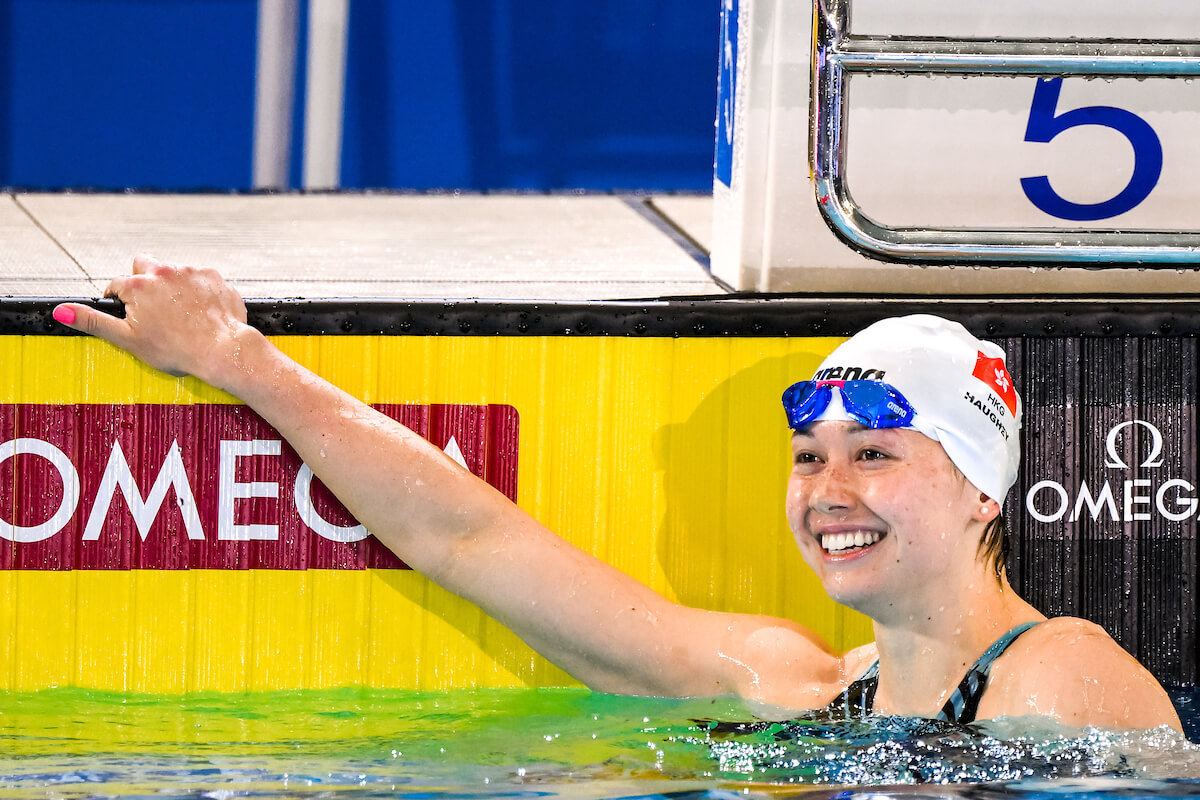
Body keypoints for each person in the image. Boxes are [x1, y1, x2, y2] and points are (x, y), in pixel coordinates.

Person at [52, 255, 1181, 731]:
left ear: (983, 488)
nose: (829, 488)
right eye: (808, 455)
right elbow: (468, 536)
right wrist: (237, 359)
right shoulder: (798, 683)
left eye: (876, 451)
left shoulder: (1056, 675)